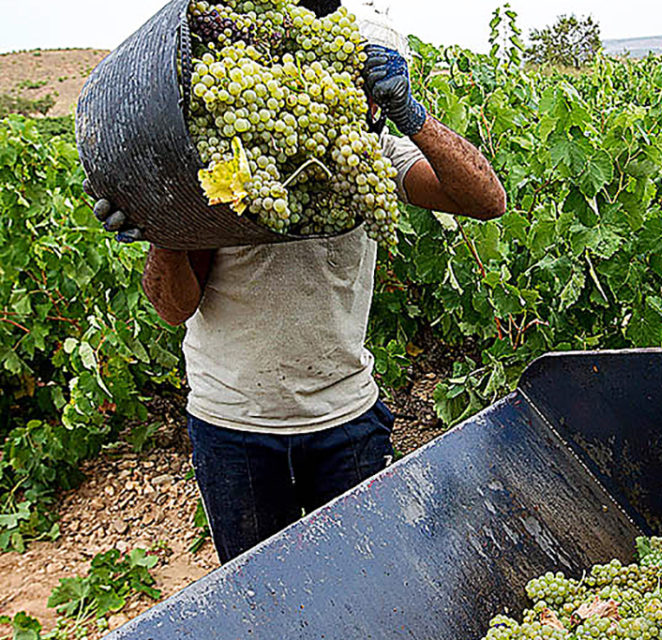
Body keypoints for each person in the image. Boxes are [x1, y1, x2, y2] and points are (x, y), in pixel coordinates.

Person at [85, 1, 505, 564]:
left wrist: (413, 115)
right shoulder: (232, 162)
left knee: (366, 591)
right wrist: (167, 223)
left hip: (346, 419)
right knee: (261, 602)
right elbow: (174, 308)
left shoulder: (373, 152)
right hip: (233, 428)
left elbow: (486, 199)